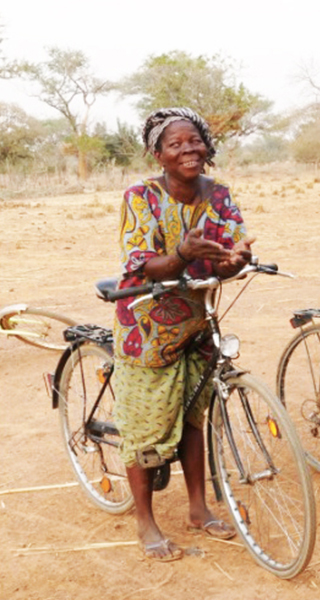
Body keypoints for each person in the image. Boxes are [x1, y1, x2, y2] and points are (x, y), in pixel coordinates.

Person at [113, 107, 254, 561]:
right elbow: (142, 264)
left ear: (206, 145)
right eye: (175, 144)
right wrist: (180, 253)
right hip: (147, 325)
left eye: (194, 141)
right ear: (158, 154)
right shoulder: (141, 196)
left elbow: (228, 253)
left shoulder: (220, 194)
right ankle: (146, 522)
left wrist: (234, 261)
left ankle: (199, 508)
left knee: (196, 415)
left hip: (197, 319)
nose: (188, 149)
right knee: (145, 426)